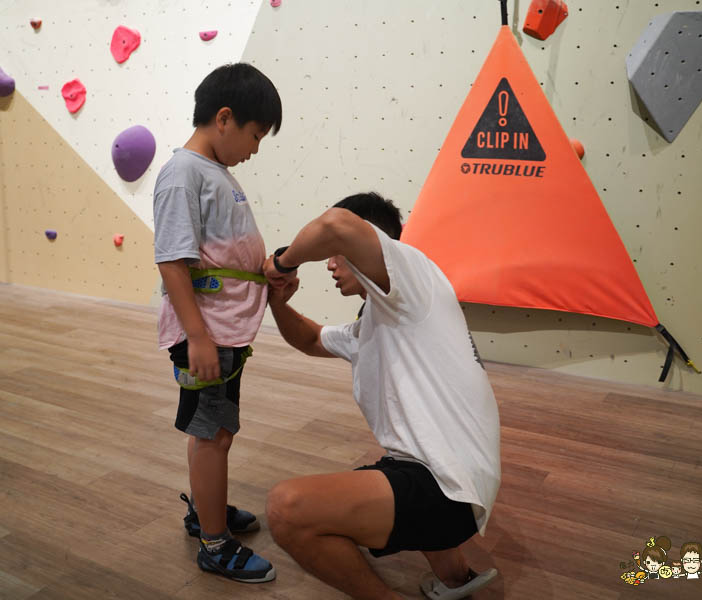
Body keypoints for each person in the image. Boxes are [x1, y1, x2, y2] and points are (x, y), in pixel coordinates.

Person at [261, 192, 501, 600]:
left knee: (286, 510)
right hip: (446, 480)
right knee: (399, 466)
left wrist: (283, 262)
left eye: (337, 255)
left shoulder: (412, 273)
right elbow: (310, 338)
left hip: (448, 487)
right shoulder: (375, 318)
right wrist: (277, 300)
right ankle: (457, 577)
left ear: (372, 242)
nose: (331, 264)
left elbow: (335, 224)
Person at [152, 62, 282, 584]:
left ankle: (204, 510)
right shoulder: (183, 173)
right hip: (206, 334)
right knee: (212, 436)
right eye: (254, 135)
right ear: (224, 118)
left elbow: (222, 253)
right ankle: (214, 542)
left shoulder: (214, 174)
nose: (254, 148)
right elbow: (172, 259)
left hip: (224, 330)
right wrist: (198, 337)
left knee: (219, 430)